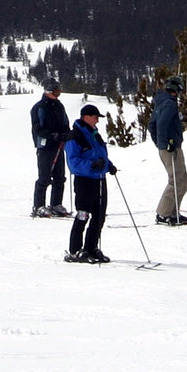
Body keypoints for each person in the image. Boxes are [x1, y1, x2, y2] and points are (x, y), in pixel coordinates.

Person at [63, 104, 116, 262]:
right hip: (84, 181)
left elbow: (100, 155)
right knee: (82, 215)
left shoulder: (95, 135)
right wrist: (92, 166)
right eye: (95, 117)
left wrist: (109, 165)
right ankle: (75, 250)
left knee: (99, 216)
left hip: (99, 180)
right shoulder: (75, 136)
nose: (97, 121)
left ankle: (90, 248)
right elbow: (73, 163)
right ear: (86, 117)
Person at [150, 75, 187, 225]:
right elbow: (161, 125)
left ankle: (173, 212)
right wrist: (167, 143)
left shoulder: (161, 102)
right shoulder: (169, 104)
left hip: (168, 147)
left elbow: (152, 125)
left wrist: (159, 143)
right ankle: (163, 214)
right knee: (177, 181)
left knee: (183, 181)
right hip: (171, 148)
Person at [30, 81, 72, 217]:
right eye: (56, 91)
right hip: (46, 146)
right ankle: (38, 205)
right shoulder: (39, 107)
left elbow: (65, 122)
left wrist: (66, 133)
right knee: (44, 176)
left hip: (59, 144)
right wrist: (51, 135)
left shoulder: (59, 106)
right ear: (49, 92)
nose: (58, 94)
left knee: (60, 176)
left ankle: (56, 204)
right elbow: (37, 128)